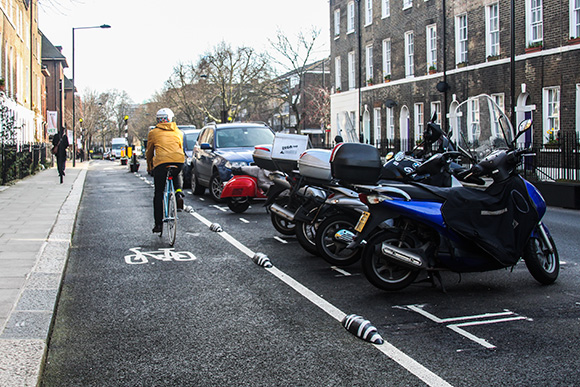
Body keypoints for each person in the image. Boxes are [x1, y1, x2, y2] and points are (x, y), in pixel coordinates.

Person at [146, 108, 185, 234]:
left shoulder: (153, 133)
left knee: (158, 193)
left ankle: (158, 224)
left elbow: (149, 152)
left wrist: (149, 165)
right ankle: (178, 193)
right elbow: (180, 147)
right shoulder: (178, 132)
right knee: (177, 172)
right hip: (179, 160)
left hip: (161, 163)